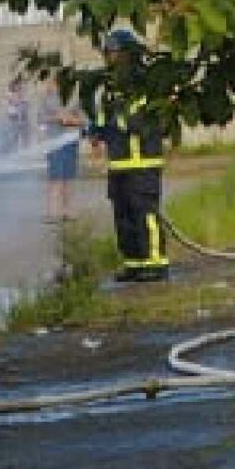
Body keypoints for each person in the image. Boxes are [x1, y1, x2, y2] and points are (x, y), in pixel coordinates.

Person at [89, 29, 168, 283]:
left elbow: (143, 118)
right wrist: (96, 129)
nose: (109, 57)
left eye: (113, 52)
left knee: (144, 214)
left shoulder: (144, 82)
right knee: (123, 217)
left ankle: (155, 263)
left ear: (127, 54)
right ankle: (133, 263)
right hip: (119, 163)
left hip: (143, 161)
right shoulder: (111, 86)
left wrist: (117, 122)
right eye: (107, 52)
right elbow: (104, 116)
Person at [37, 72, 86, 222]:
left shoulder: (74, 99)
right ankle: (53, 213)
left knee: (69, 178)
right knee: (55, 178)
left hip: (71, 142)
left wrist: (73, 120)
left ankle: (69, 212)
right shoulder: (47, 98)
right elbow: (40, 118)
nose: (51, 84)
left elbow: (84, 120)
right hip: (54, 143)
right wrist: (57, 118)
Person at [5, 80, 31, 151]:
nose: (18, 88)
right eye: (16, 86)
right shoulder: (10, 94)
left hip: (23, 117)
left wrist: (22, 100)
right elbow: (15, 101)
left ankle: (26, 149)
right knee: (14, 136)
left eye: (19, 86)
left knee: (25, 135)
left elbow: (26, 104)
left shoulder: (22, 94)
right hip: (14, 118)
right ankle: (14, 150)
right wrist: (20, 99)